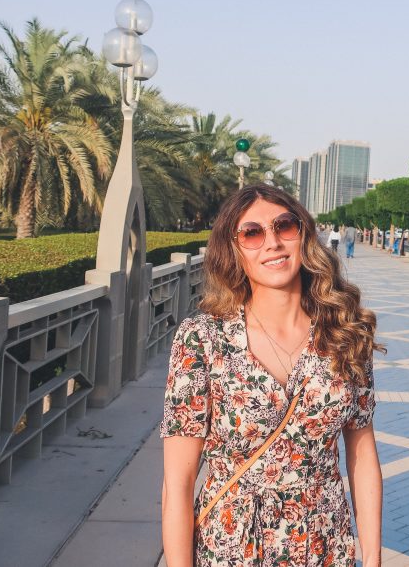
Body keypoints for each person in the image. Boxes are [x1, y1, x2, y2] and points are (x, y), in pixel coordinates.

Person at [161, 185, 384, 567]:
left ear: (304, 235)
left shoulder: (345, 333)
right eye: (252, 233)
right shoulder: (202, 339)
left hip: (323, 544)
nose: (273, 243)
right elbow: (177, 485)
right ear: (233, 249)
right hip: (231, 546)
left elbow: (361, 452)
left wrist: (373, 555)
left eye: (284, 227)